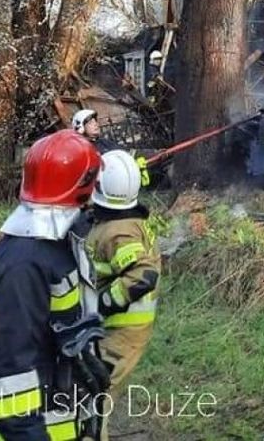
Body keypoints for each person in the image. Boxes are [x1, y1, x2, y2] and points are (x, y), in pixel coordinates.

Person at [0, 130, 109, 441]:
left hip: (56, 411)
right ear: (82, 186)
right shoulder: (26, 263)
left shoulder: (53, 245)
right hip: (31, 428)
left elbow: (51, 328)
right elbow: (13, 365)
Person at [86, 149, 161, 440]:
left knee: (94, 398)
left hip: (121, 331)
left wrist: (104, 303)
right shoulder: (122, 222)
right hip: (119, 329)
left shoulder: (118, 233)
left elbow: (143, 274)